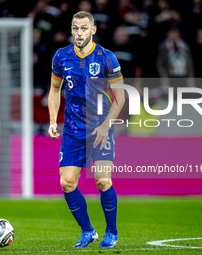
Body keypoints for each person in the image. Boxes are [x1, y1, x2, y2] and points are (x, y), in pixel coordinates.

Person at [48, 11, 125, 248]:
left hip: (100, 128)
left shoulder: (106, 57)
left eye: (83, 28)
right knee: (67, 183)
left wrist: (106, 126)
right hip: (72, 130)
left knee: (102, 181)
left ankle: (111, 232)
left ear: (93, 30)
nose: (78, 33)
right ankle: (88, 231)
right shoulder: (61, 57)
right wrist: (53, 120)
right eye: (75, 28)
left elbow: (120, 96)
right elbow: (54, 89)